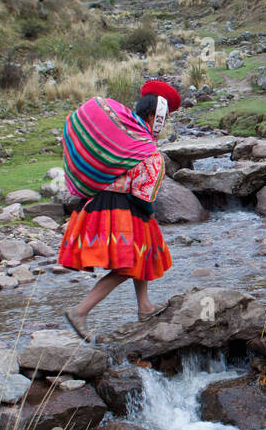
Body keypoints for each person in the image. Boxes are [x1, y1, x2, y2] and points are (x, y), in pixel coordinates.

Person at [58, 79, 182, 338]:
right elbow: (143, 194)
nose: (165, 123)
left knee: (141, 257)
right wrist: (149, 213)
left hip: (100, 203)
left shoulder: (121, 132)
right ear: (153, 116)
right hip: (121, 208)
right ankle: (81, 311)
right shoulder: (146, 148)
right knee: (130, 264)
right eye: (164, 117)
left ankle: (144, 306)